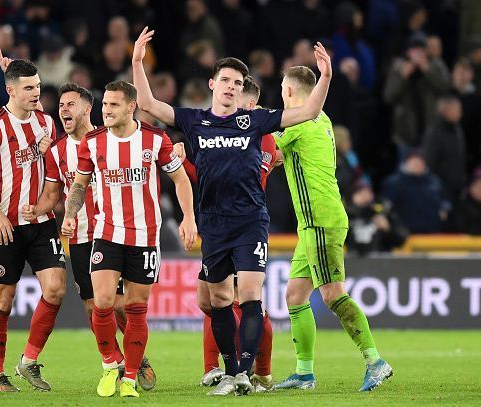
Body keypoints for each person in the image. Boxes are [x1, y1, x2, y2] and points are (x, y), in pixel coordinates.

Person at [132, 27, 332, 396]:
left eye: (237, 82)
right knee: (219, 300)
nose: (230, 86)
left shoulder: (256, 121)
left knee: (251, 296)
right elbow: (146, 103)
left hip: (250, 221)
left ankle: (243, 373)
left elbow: (310, 110)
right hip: (213, 223)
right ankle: (228, 371)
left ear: (242, 90)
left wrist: (325, 77)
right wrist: (136, 61)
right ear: (212, 83)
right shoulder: (193, 121)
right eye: (225, 80)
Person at [61, 80, 196, 398]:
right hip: (106, 233)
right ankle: (110, 366)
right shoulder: (92, 143)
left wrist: (189, 217)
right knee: (103, 302)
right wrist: (70, 212)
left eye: (113, 105)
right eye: (104, 104)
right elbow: (79, 185)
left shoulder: (155, 140)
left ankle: (130, 379)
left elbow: (180, 179)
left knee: (136, 308)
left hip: (146, 237)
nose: (106, 110)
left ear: (131, 107)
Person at [21, 82, 157, 390]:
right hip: (82, 237)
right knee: (93, 307)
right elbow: (54, 193)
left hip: (118, 232)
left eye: (70, 104)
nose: (63, 109)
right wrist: (37, 209)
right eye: (61, 106)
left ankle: (135, 358)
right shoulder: (56, 151)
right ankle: (117, 363)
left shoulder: (108, 139)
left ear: (87, 108)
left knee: (121, 304)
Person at [271, 66, 392, 393]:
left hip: (320, 220)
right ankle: (304, 373)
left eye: (283, 89)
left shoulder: (299, 120)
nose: (282, 95)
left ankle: (375, 361)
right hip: (313, 223)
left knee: (332, 295)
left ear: (292, 92)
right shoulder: (321, 118)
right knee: (295, 294)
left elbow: (270, 150)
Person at [174, 76, 279, 392]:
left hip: (244, 225)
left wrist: (188, 164)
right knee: (208, 300)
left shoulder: (264, 139)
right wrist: (183, 158)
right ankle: (218, 368)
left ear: (248, 104)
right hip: (216, 225)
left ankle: (257, 371)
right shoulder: (218, 129)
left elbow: (241, 180)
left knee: (246, 301)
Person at [0, 58, 66, 393]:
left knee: (55, 287)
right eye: (28, 88)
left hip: (40, 222)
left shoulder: (46, 123)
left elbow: (52, 169)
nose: (36, 93)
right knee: (4, 301)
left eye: (37, 86)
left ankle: (28, 361)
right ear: (10, 90)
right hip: (5, 225)